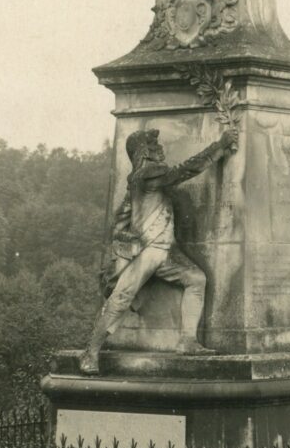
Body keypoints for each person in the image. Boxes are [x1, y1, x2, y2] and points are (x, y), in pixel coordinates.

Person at [79, 126, 238, 374]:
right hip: (148, 251)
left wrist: (123, 237)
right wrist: (220, 146)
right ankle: (90, 353)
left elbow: (121, 217)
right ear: (143, 152)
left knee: (196, 279)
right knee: (120, 298)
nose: (160, 148)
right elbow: (186, 170)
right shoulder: (147, 174)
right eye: (154, 146)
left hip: (164, 251)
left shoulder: (139, 181)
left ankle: (187, 341)